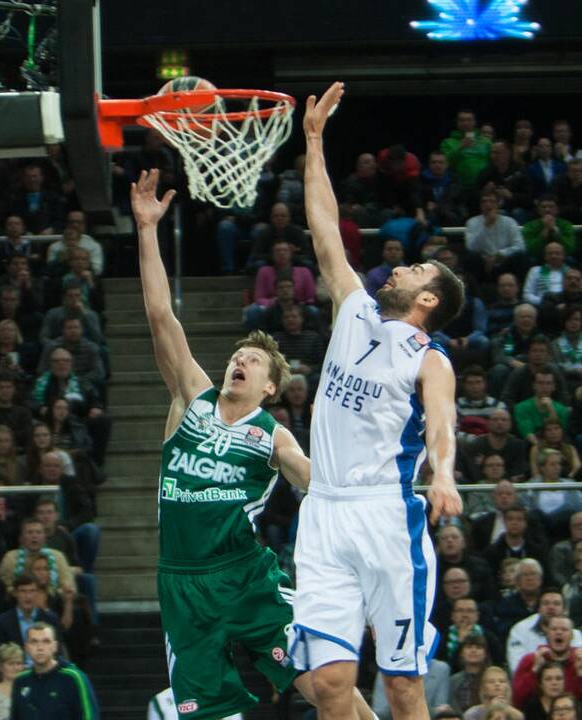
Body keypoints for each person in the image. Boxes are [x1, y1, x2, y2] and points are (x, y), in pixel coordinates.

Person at [135, 165, 352, 720]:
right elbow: (161, 317)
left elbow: (313, 479)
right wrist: (146, 230)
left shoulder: (273, 434)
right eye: (238, 355)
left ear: (271, 386)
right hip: (182, 581)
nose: (240, 361)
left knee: (324, 686)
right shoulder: (191, 398)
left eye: (253, 361)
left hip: (246, 576)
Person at [292, 82, 465, 720]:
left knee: (402, 687)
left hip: (386, 518)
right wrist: (313, 143)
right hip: (324, 514)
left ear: (428, 303)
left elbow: (443, 424)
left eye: (416, 272)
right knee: (331, 685)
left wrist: (444, 473)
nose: (398, 268)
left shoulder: (430, 358)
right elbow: (322, 230)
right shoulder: (354, 308)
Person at [8, 623, 98, 720]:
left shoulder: (74, 678)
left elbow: (89, 717)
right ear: (26, 647)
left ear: (55, 646)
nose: (40, 648)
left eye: (46, 641)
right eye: (34, 642)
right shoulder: (20, 680)